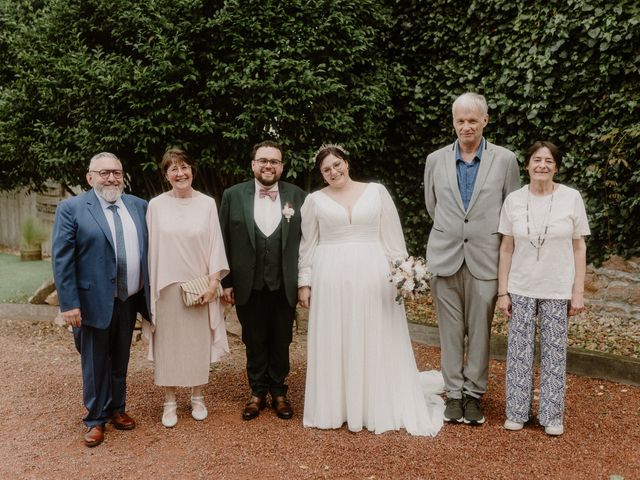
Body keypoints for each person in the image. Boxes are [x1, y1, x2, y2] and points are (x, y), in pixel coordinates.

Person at [298, 144, 445, 436]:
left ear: (347, 163)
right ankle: (337, 406)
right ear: (321, 174)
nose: (333, 172)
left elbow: (392, 237)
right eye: (326, 170)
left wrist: (403, 273)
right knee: (337, 335)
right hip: (331, 278)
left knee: (374, 332)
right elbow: (308, 244)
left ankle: (374, 402)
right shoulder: (314, 201)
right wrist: (305, 281)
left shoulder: (376, 192)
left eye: (337, 165)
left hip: (373, 274)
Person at [424, 92, 520, 425]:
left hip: (485, 259)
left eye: (472, 120)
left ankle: (474, 395)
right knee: (449, 331)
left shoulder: (505, 160)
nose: (466, 126)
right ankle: (453, 394)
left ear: (485, 121)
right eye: (460, 121)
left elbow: (511, 211)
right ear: (453, 122)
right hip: (445, 256)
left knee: (480, 331)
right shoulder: (435, 160)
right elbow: (432, 205)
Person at [52, 152, 149, 448]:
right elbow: (62, 259)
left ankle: (117, 408)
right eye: (104, 172)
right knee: (94, 361)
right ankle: (95, 419)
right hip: (91, 300)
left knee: (120, 358)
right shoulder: (72, 208)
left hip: (129, 298)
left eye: (116, 172)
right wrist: (69, 304)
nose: (111, 178)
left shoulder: (138, 206)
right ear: (90, 176)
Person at [497, 141, 589, 436]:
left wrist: (578, 291)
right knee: (519, 352)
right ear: (527, 165)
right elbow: (506, 247)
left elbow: (579, 246)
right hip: (521, 286)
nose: (542, 165)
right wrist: (503, 291)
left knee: (554, 352)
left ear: (556, 167)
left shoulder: (571, 198)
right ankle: (517, 411)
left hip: (557, 288)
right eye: (537, 160)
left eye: (549, 161)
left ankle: (551, 414)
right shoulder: (513, 200)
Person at [219, 140, 307, 420]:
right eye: (263, 160)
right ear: (253, 164)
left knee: (281, 339)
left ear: (281, 167)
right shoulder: (233, 195)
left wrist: (304, 280)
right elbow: (224, 240)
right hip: (248, 284)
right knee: (253, 338)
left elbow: (307, 241)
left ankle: (279, 392)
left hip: (284, 283)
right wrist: (227, 281)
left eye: (275, 161)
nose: (269, 165)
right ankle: (257, 392)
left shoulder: (298, 195)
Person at [145, 148, 229, 428]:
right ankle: (169, 401)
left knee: (196, 345)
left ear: (192, 170)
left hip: (198, 287)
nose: (180, 173)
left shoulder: (207, 204)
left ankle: (198, 397)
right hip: (166, 286)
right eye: (173, 169)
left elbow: (215, 244)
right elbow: (150, 249)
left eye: (184, 168)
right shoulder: (155, 206)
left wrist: (213, 283)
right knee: (167, 346)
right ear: (166, 175)